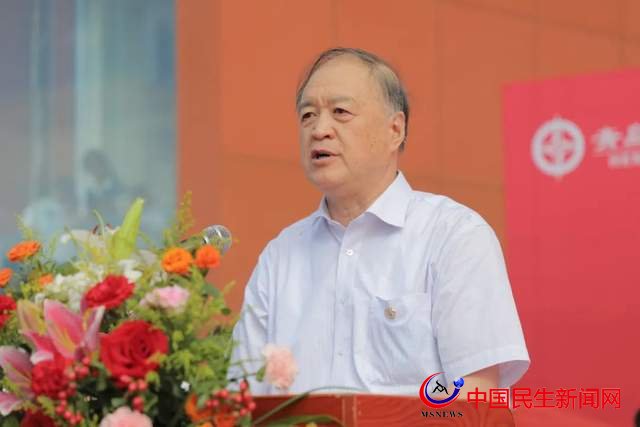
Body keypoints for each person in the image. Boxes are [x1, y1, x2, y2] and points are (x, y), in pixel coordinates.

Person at [231, 47, 529, 395]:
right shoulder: (280, 256)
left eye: (340, 112)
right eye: (308, 115)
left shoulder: (454, 236)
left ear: (395, 130)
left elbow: (477, 398)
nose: (319, 129)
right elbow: (240, 398)